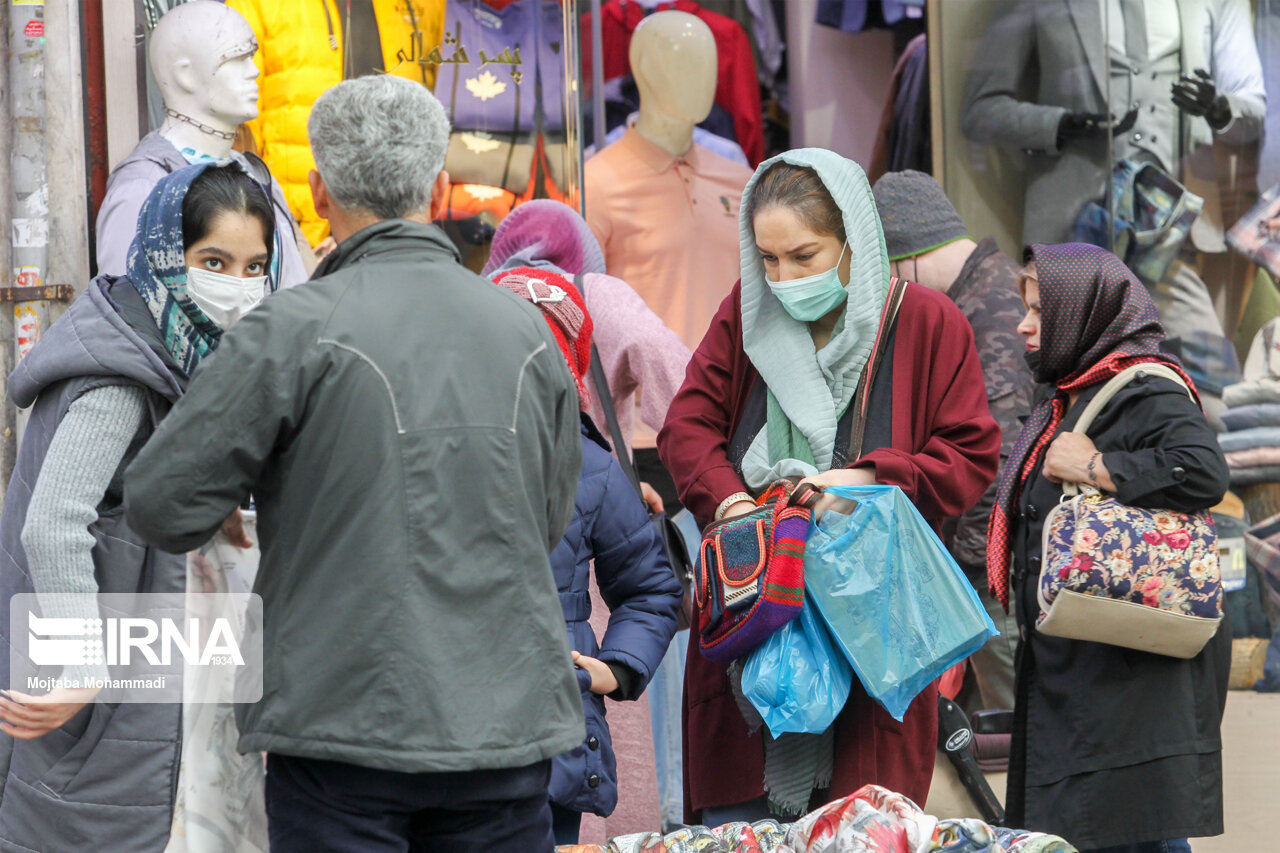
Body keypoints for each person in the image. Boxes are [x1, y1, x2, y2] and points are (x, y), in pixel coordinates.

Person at [122, 75, 584, 853]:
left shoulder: (288, 329)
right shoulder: (527, 330)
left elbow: (161, 502)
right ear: (438, 188)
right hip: (504, 725)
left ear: (317, 189)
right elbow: (549, 515)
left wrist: (246, 494)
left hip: (341, 728)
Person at [657, 149, 1001, 823]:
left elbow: (971, 452)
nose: (783, 278)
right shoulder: (748, 315)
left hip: (872, 630)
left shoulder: (926, 323)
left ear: (855, 243)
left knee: (863, 821)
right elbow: (686, 427)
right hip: (757, 616)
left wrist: (871, 476)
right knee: (746, 825)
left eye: (804, 255)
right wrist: (731, 502)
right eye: (768, 258)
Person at [0, 162, 273, 852]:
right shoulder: (124, 372)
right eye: (214, 260)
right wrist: (83, 664)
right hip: (109, 702)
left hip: (146, 690)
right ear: (162, 253)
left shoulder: (179, 354)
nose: (237, 285)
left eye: (254, 265)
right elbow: (55, 522)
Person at [988, 242, 1231, 851]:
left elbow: (1203, 472)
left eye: (1041, 312)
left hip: (1133, 683)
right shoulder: (1069, 393)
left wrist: (1097, 464)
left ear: (1085, 313)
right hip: (1089, 669)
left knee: (1135, 828)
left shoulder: (1145, 388)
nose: (1025, 325)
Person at [487, 266, 681, 846]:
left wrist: (617, 666)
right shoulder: (439, 447)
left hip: (555, 744)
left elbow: (650, 587)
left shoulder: (591, 468)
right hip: (456, 736)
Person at [872, 169, 1035, 712]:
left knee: (1016, 728)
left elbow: (1001, 453)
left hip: (999, 571)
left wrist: (969, 577)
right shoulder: (989, 290)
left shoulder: (989, 309)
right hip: (998, 561)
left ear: (904, 257)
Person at [96, 1, 306, 287]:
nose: (254, 71)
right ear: (185, 74)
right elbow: (125, 316)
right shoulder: (144, 187)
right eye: (237, 59)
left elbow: (291, 290)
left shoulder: (257, 176)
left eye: (252, 58)